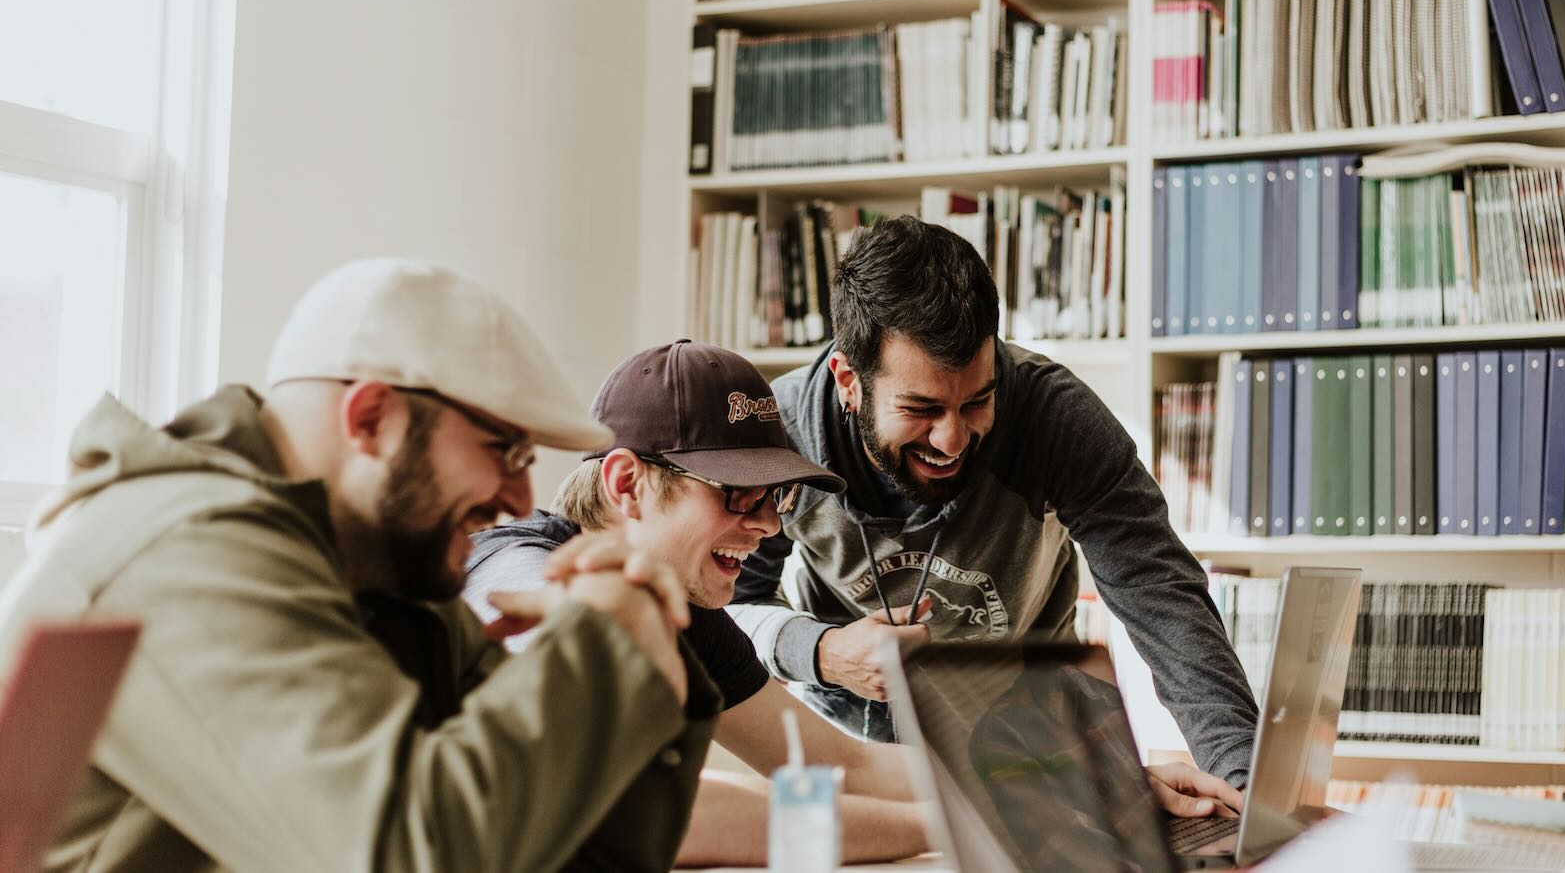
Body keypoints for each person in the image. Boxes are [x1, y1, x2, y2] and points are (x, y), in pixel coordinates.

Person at [0, 259, 716, 872]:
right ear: (371, 417)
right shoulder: (183, 553)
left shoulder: (383, 575)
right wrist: (600, 643)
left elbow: (581, 853)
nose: (521, 497)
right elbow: (408, 852)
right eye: (503, 449)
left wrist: (647, 648)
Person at [464, 340, 1233, 866]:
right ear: (627, 482)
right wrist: (994, 820)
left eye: (778, 498)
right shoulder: (520, 574)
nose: (767, 525)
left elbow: (837, 761)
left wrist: (1084, 782)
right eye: (738, 495)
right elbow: (652, 808)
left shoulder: (685, 607)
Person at [727, 215, 1261, 798]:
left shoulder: (1055, 419)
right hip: (850, 754)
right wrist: (821, 651)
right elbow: (725, 610)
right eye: (921, 409)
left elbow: (1162, 597)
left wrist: (1245, 788)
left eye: (977, 401)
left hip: (1028, 743)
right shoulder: (779, 437)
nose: (952, 440)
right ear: (849, 380)